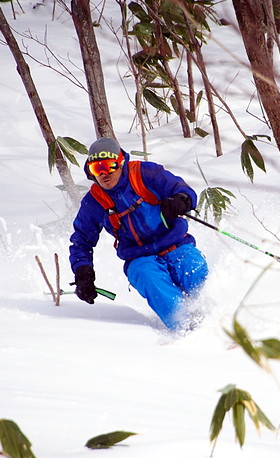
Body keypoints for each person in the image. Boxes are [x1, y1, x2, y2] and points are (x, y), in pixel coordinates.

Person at [68, 137, 208, 330]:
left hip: (176, 244)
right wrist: (82, 271)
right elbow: (81, 241)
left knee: (193, 268)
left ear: (120, 162)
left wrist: (181, 200)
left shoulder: (145, 174)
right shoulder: (94, 201)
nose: (103, 175)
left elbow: (182, 189)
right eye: (96, 169)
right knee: (150, 278)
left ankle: (216, 319)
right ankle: (186, 329)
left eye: (108, 167)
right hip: (139, 258)